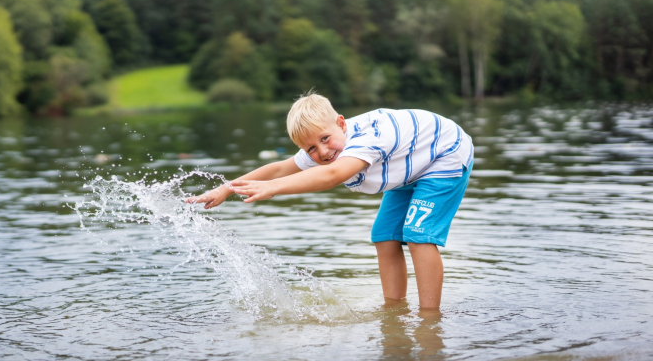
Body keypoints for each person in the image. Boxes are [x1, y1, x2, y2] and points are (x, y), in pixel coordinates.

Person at [187, 92, 473, 309]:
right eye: (311, 148)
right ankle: (395, 310)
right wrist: (226, 188)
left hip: (442, 155)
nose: (322, 151)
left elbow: (332, 175)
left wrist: (274, 188)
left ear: (340, 124)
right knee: (384, 237)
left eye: (325, 139)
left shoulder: (369, 137)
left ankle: (429, 317)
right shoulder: (321, 145)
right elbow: (278, 168)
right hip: (407, 169)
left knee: (417, 236)